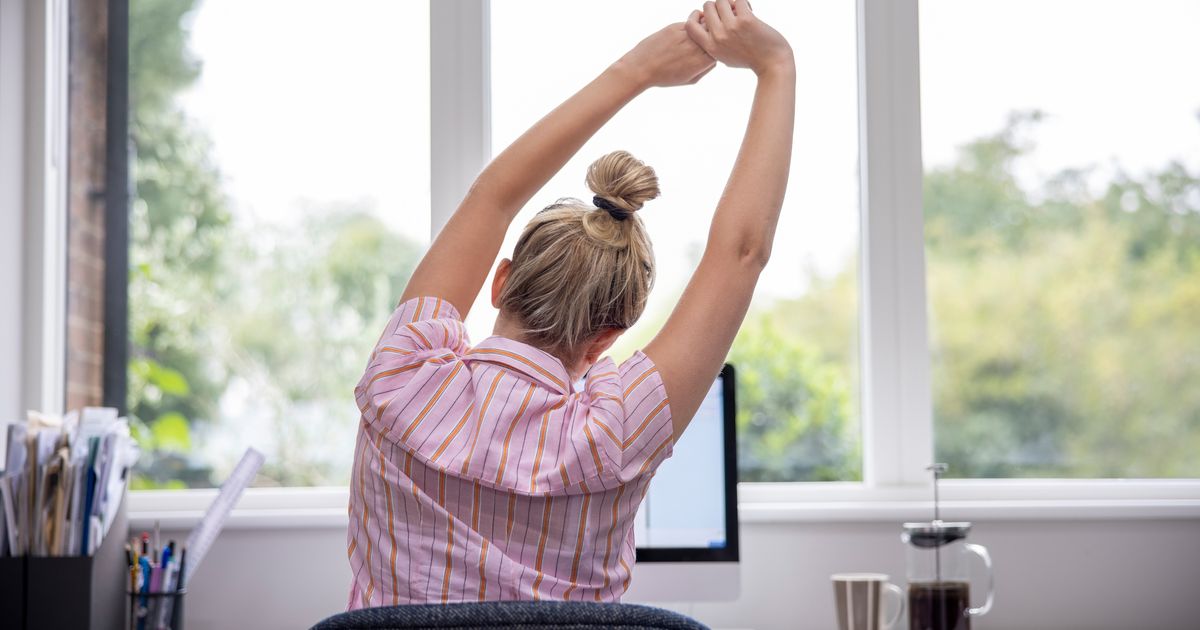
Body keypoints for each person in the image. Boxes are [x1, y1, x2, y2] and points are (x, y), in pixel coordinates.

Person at [346, 0, 795, 608]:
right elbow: (741, 255)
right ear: (608, 335)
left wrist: (635, 70)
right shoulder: (616, 430)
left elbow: (491, 199)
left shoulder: (403, 373)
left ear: (500, 280)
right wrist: (776, 67)